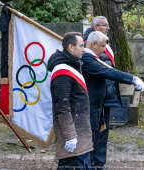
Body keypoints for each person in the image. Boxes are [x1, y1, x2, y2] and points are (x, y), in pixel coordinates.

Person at [82, 31, 144, 169]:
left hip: (97, 106)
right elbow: (108, 72)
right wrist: (132, 79)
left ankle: (93, 165)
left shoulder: (92, 57)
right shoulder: (87, 59)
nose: (105, 49)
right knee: (89, 141)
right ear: (93, 44)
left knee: (95, 138)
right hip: (90, 107)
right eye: (102, 46)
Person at [48, 32, 93, 170]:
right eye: (81, 46)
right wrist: (70, 136)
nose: (83, 49)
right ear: (70, 47)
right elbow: (62, 107)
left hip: (81, 135)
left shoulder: (73, 65)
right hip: (74, 136)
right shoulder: (62, 72)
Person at [83, 16, 122, 168]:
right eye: (105, 25)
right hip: (96, 96)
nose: (108, 27)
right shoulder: (89, 44)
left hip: (107, 94)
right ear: (95, 27)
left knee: (103, 131)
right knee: (94, 131)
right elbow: (105, 71)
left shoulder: (105, 42)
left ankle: (99, 163)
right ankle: (91, 162)